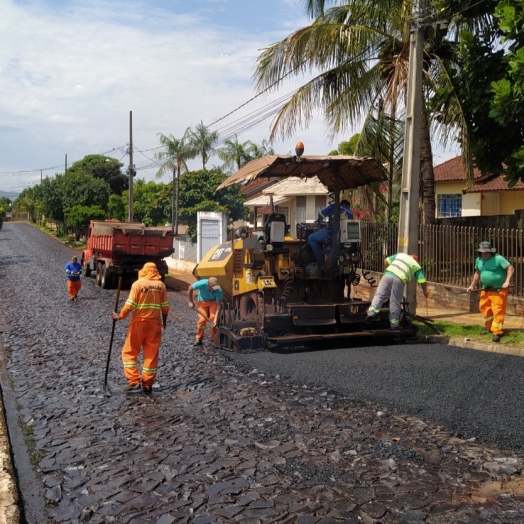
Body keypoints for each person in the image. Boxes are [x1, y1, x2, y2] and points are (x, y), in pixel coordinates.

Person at [111, 262, 169, 393]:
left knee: (129, 352)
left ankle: (133, 381)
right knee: (151, 354)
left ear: (144, 270)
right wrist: (164, 323)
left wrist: (119, 316)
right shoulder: (161, 286)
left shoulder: (138, 284)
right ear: (155, 271)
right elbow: (165, 307)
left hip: (139, 323)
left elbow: (130, 304)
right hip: (155, 324)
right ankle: (148, 383)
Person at [365, 253, 428, 330]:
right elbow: (422, 280)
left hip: (387, 275)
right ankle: (394, 324)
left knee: (380, 295)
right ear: (416, 260)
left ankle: (371, 313)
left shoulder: (401, 255)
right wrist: (425, 291)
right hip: (399, 280)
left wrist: (387, 270)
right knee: (395, 301)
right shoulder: (416, 265)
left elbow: (386, 260)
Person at [466, 241, 514, 343]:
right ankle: (490, 327)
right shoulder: (479, 260)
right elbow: (477, 273)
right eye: (483, 252)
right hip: (486, 289)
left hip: (498, 289)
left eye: (486, 252)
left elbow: (510, 268)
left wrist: (507, 281)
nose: (485, 254)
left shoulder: (498, 258)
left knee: (498, 311)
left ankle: (497, 332)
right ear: (480, 252)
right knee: (484, 308)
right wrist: (471, 286)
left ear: (490, 251)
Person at [307, 199, 353, 267]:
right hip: (345, 236)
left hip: (331, 232)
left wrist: (320, 219)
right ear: (348, 206)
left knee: (311, 238)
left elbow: (320, 215)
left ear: (341, 203)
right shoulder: (350, 213)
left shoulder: (334, 206)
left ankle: (320, 260)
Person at [188, 277, 223, 346]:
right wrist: (190, 301)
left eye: (215, 288)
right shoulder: (202, 283)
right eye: (212, 288)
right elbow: (190, 288)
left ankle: (213, 338)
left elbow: (219, 305)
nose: (214, 290)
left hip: (213, 303)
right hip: (202, 302)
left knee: (212, 319)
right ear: (208, 286)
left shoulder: (218, 290)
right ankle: (199, 338)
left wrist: (216, 319)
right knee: (202, 320)